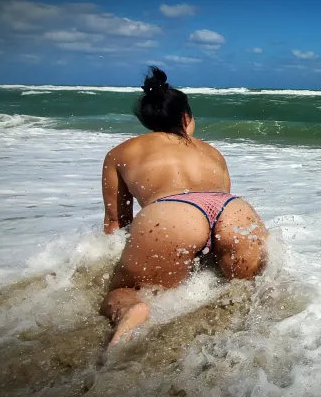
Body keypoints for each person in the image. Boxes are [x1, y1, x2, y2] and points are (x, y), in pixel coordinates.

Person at [99, 66, 267, 348]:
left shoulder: (121, 152)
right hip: (234, 210)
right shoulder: (212, 151)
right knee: (242, 292)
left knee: (125, 290)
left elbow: (116, 223)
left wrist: (116, 261)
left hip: (172, 214)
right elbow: (212, 217)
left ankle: (131, 310)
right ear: (185, 116)